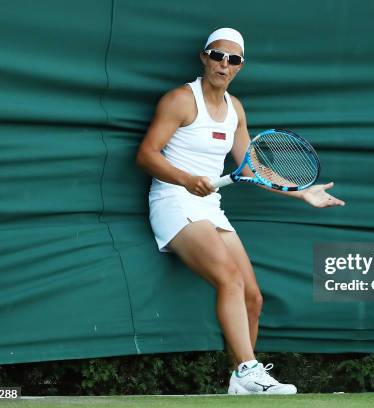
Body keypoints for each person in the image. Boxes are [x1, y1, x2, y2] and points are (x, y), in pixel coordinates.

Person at [136, 28, 345, 395]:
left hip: (209, 205)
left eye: (233, 59)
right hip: (172, 201)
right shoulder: (180, 100)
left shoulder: (235, 110)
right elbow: (146, 155)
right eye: (218, 55)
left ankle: (240, 381)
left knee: (253, 297)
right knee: (229, 278)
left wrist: (301, 192)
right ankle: (249, 369)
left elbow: (250, 168)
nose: (224, 64)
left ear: (240, 66)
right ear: (205, 57)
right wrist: (185, 178)